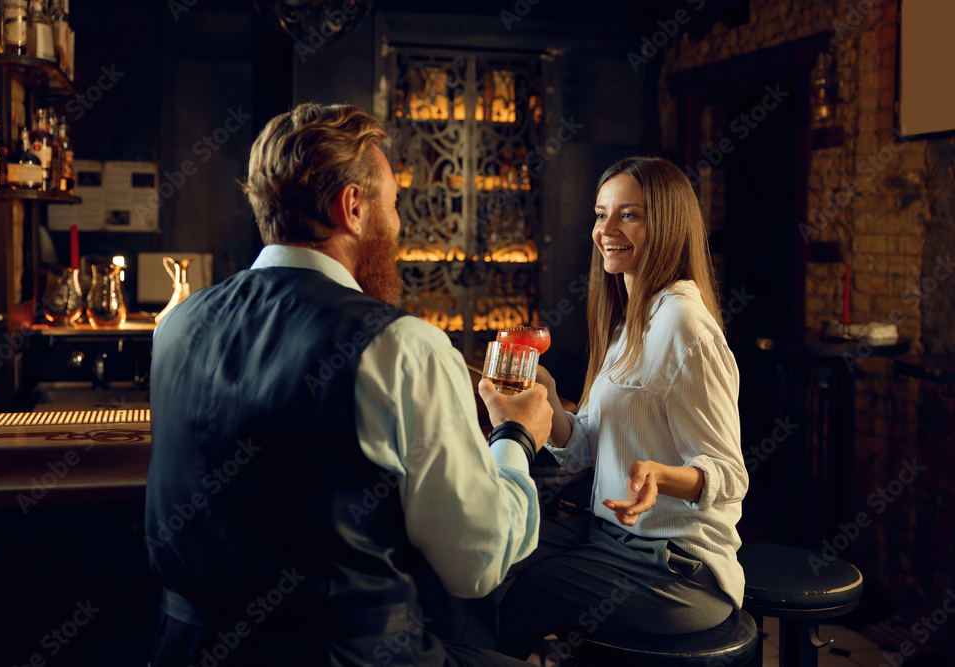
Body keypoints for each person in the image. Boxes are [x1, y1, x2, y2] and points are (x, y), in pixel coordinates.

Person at [144, 102, 553, 667]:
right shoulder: (403, 346)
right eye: (394, 204)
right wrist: (517, 435)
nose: (400, 225)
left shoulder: (174, 327)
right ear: (354, 207)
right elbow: (477, 562)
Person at [491, 156, 748, 658]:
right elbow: (585, 443)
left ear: (668, 225)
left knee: (515, 598)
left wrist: (661, 476)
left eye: (629, 215)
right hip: (609, 539)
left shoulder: (685, 327)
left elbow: (730, 474)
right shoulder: (628, 323)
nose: (605, 230)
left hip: (678, 571)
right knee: (491, 552)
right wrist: (542, 395)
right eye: (600, 213)